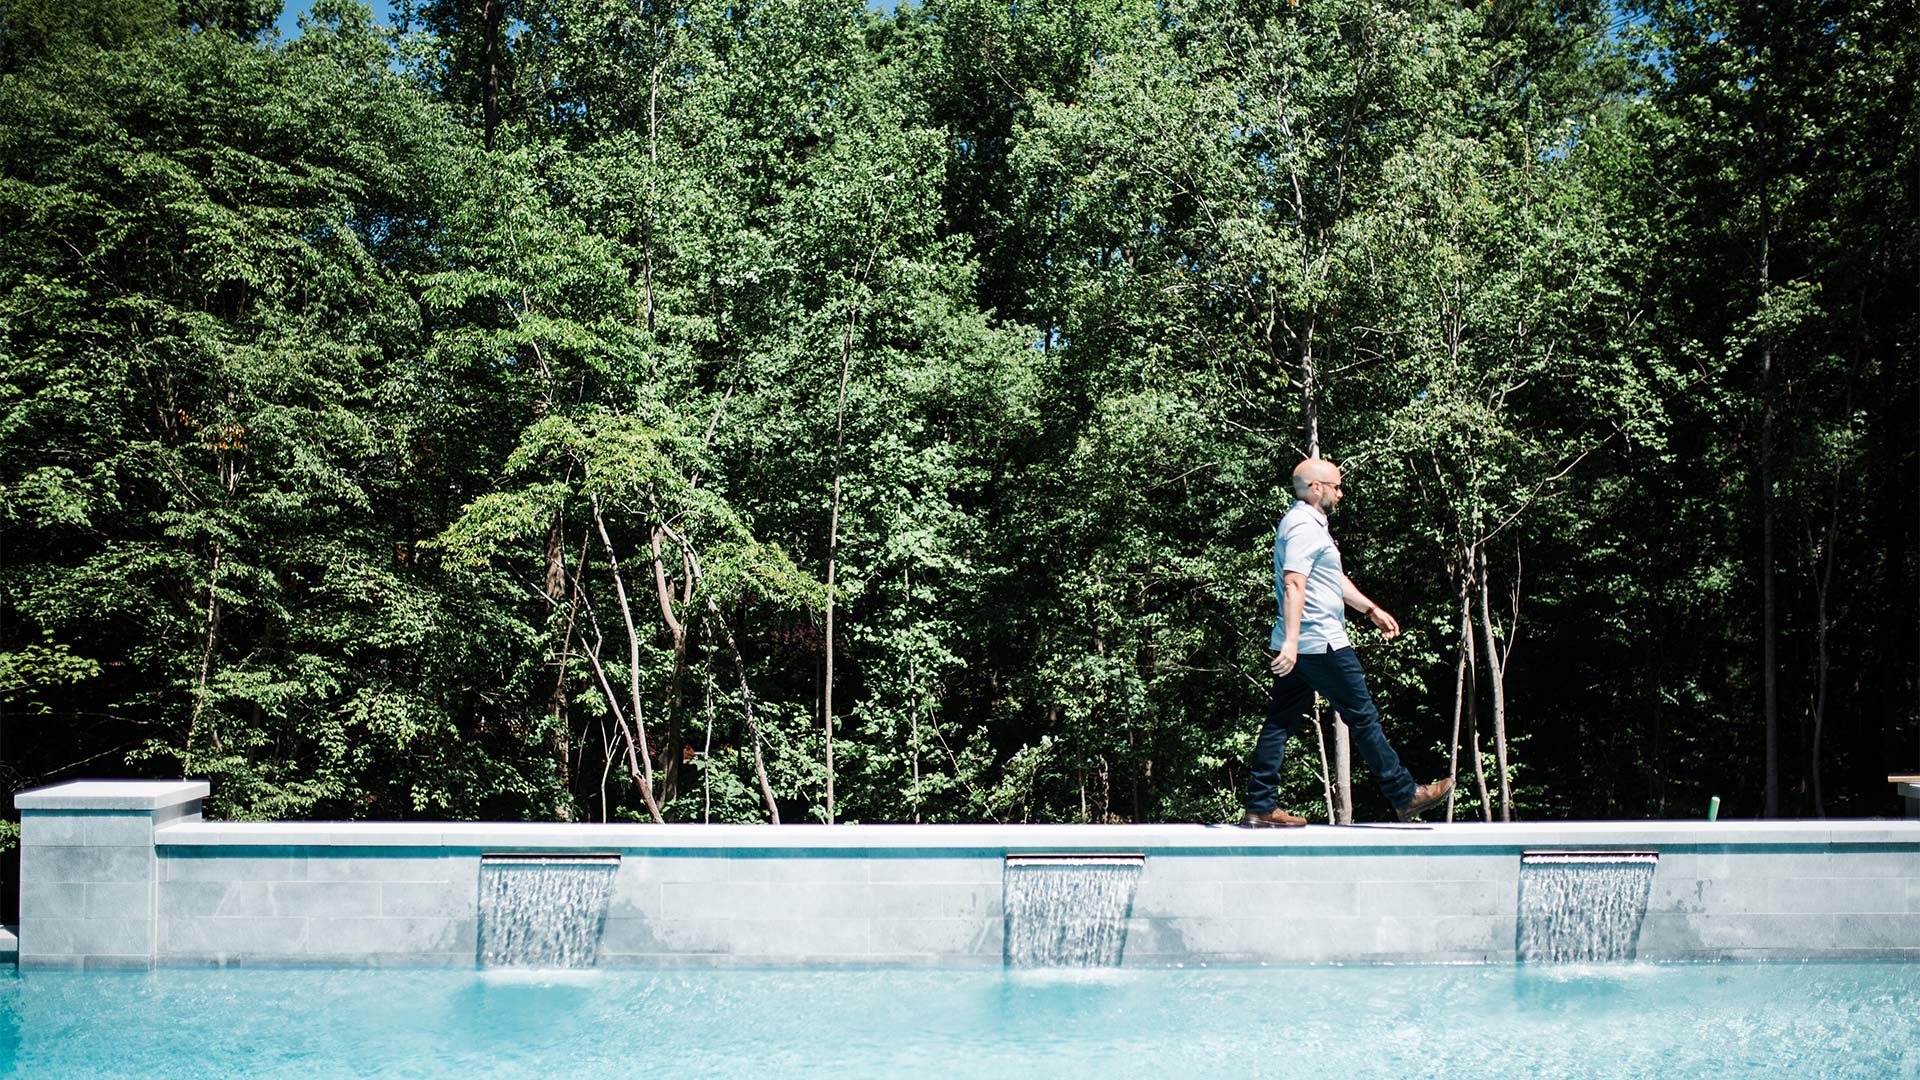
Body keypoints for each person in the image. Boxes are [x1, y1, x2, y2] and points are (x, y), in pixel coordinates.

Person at [1241, 457, 1454, 827]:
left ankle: (1260, 804)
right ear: (1315, 488)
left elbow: (1331, 580)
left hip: (1306, 643)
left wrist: (1370, 610)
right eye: (1336, 486)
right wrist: (1292, 642)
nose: (1341, 493)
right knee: (1363, 716)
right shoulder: (1304, 527)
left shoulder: (1309, 526)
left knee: (1281, 720)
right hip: (1320, 643)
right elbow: (1294, 583)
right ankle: (1404, 795)